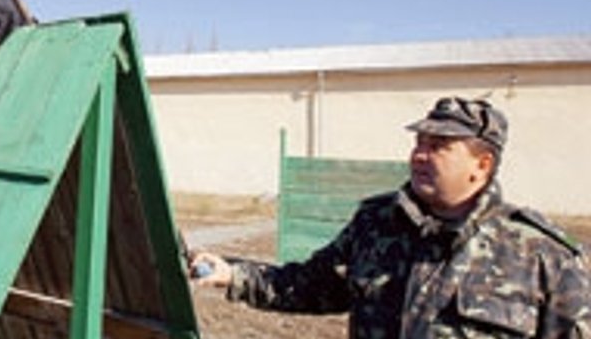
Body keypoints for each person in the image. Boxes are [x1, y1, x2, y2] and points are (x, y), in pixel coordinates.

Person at [190, 96, 591, 338]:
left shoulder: (542, 257)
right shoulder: (377, 224)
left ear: (482, 165)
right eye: (419, 142)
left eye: (439, 146)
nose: (420, 155)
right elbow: (310, 285)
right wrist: (233, 274)